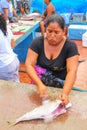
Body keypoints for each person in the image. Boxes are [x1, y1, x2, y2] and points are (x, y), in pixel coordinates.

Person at [25, 13, 79, 105]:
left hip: (61, 86)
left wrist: (65, 93)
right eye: (49, 31)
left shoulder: (70, 46)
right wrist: (39, 84)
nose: (52, 35)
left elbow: (72, 71)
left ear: (64, 31)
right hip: (40, 83)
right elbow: (29, 65)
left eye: (56, 32)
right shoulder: (37, 42)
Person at [0, 13, 20, 82]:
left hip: (5, 66)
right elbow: (13, 45)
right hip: (13, 60)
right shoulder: (6, 29)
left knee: (7, 90)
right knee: (17, 84)